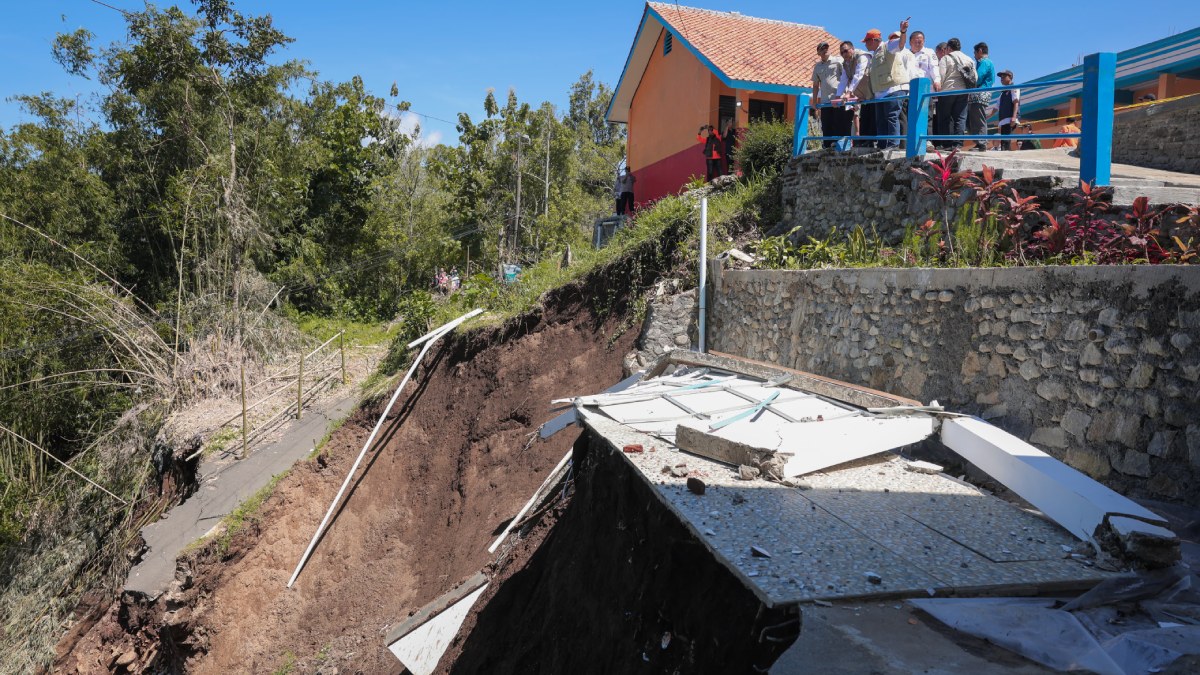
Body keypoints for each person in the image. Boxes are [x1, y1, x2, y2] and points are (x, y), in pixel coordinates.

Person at [865, 21, 912, 149]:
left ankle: (893, 144)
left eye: (867, 41)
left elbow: (901, 44)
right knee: (880, 120)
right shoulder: (874, 55)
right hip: (880, 92)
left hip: (893, 88)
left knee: (892, 116)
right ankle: (882, 144)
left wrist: (903, 31)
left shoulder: (888, 46)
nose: (865, 44)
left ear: (874, 40)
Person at [937, 38, 975, 149]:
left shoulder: (946, 58)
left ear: (948, 48)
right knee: (960, 118)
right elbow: (975, 77)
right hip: (963, 91)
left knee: (945, 118)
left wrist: (938, 89)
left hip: (947, 91)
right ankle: (958, 144)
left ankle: (946, 144)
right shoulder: (968, 59)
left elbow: (942, 75)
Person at [835, 40, 875, 147]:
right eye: (841, 52)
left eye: (845, 51)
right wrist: (838, 96)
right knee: (865, 117)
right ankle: (866, 142)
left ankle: (874, 142)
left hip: (874, 92)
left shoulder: (861, 57)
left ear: (852, 49)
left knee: (874, 117)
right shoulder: (846, 63)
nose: (844, 54)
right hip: (863, 96)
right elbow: (843, 80)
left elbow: (859, 75)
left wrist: (849, 92)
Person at [811, 41, 847, 148]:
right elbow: (816, 85)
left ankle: (838, 146)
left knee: (838, 123)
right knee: (826, 125)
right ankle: (826, 147)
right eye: (822, 49)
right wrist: (814, 101)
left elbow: (846, 77)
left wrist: (846, 93)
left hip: (837, 99)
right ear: (818, 53)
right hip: (825, 101)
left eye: (826, 47)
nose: (825, 50)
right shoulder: (817, 67)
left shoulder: (838, 61)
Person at [969, 42, 996, 151]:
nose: (974, 55)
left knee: (978, 118)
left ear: (980, 51)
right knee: (977, 118)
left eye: (975, 52)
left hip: (980, 93)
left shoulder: (984, 62)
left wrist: (969, 74)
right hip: (982, 93)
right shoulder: (988, 62)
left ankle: (981, 143)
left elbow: (978, 78)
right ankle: (980, 142)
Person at [996, 70, 1020, 150]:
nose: (1001, 79)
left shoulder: (1013, 87)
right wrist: (987, 117)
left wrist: (1014, 117)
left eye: (1004, 76)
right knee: (1004, 142)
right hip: (1003, 120)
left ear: (1010, 77)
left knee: (1006, 142)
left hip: (1010, 119)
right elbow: (996, 107)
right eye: (1001, 77)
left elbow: (1016, 102)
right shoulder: (1002, 92)